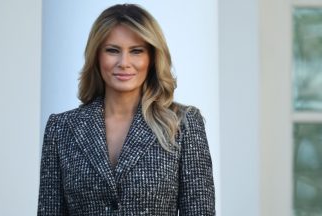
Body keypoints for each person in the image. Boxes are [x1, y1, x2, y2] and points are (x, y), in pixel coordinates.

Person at [37, 3, 215, 215]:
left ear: (152, 58)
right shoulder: (61, 129)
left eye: (136, 51)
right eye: (112, 50)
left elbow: (200, 211)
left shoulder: (183, 124)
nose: (124, 62)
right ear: (96, 56)